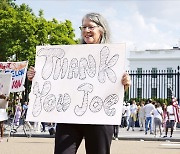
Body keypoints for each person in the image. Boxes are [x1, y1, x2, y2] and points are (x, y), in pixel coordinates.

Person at [27, 12, 131, 154]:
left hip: (99, 118)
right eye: (83, 27)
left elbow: (115, 91)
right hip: (69, 117)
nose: (86, 31)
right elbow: (57, 81)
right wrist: (37, 77)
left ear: (102, 30)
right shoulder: (71, 54)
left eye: (90, 27)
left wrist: (125, 84)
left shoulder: (113, 56)